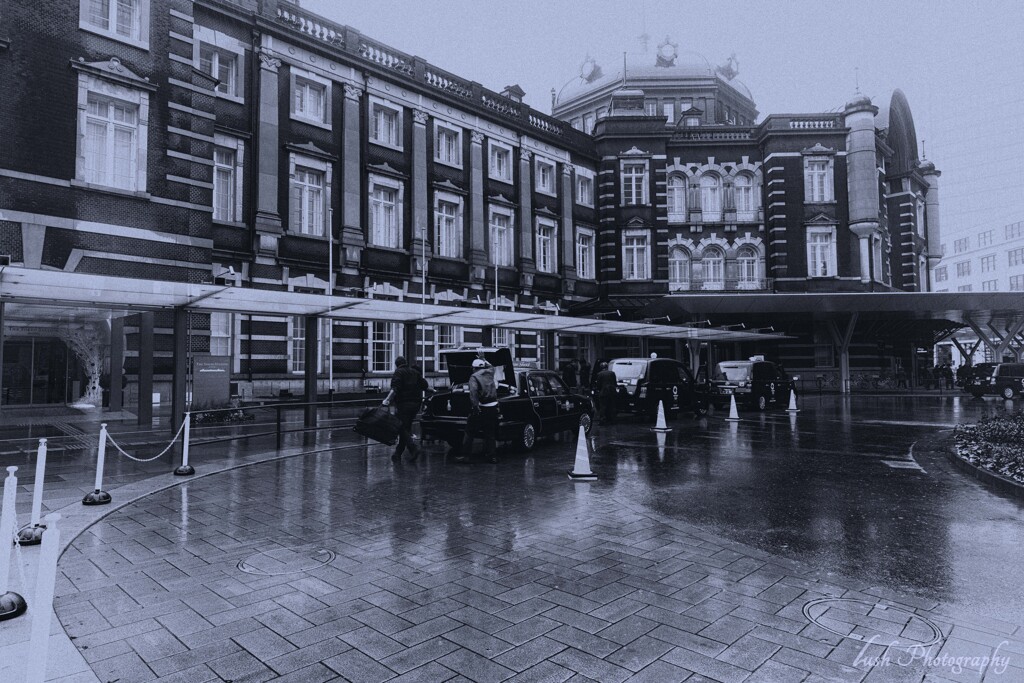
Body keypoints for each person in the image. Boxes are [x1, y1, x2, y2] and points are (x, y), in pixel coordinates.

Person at [382, 356, 429, 461]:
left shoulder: (398, 373)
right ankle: (397, 454)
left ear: (396, 364)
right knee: (405, 428)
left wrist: (387, 400)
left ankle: (413, 448)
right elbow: (425, 385)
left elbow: (395, 389)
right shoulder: (414, 372)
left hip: (404, 404)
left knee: (401, 427)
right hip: (416, 404)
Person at [455, 358, 500, 464]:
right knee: (490, 433)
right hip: (493, 406)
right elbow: (491, 365)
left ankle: (465, 455)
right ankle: (492, 456)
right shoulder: (490, 372)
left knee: (469, 432)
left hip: (482, 407)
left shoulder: (474, 377)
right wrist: (484, 358)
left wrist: (475, 407)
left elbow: (473, 393)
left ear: (474, 368)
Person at [594, 361, 618, 425]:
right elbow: (615, 383)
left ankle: (603, 420)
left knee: (603, 407)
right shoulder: (612, 373)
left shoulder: (599, 374)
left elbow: (598, 385)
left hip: (604, 392)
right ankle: (613, 420)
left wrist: (598, 390)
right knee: (612, 406)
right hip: (612, 392)